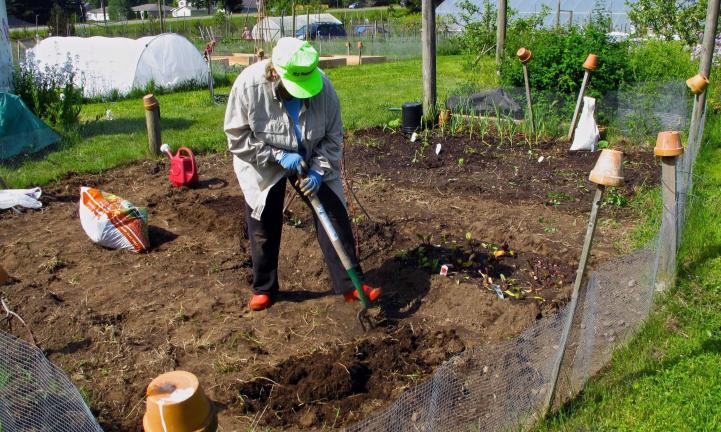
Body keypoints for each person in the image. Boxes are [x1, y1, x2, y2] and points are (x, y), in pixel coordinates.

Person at [224, 38, 381, 311]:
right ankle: (265, 288)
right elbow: (237, 139)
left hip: (310, 158)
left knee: (333, 212)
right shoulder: (249, 86)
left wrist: (318, 172)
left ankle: (352, 284)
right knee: (264, 219)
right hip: (261, 161)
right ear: (275, 72)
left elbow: (333, 138)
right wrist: (278, 155)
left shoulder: (324, 88)